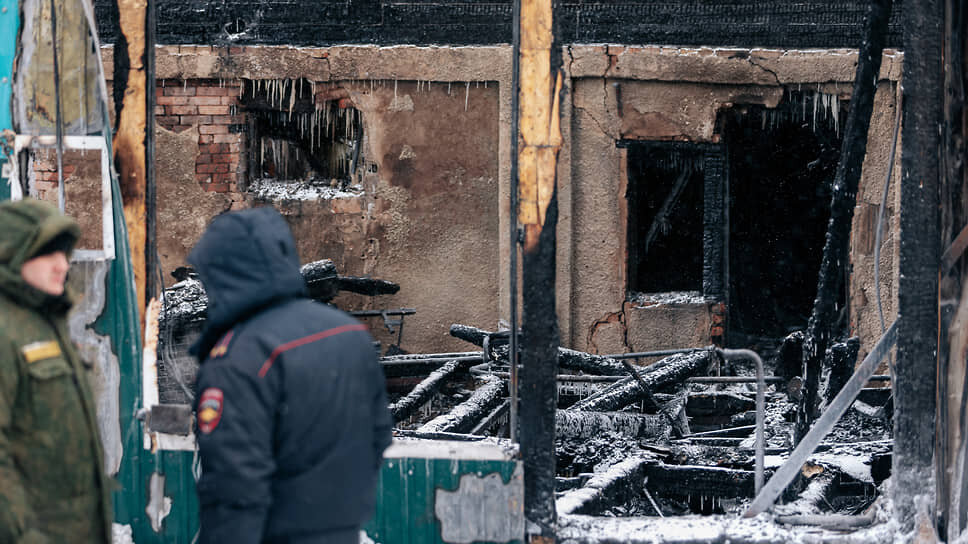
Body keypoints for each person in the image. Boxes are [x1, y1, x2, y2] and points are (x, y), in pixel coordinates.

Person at [188, 206, 392, 544]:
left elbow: (234, 489)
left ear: (225, 274)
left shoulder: (241, 356)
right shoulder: (349, 334)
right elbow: (379, 437)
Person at [0, 199, 113, 544]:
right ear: (13, 254)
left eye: (65, 254)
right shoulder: (6, 330)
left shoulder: (46, 321)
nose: (62, 265)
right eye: (47, 254)